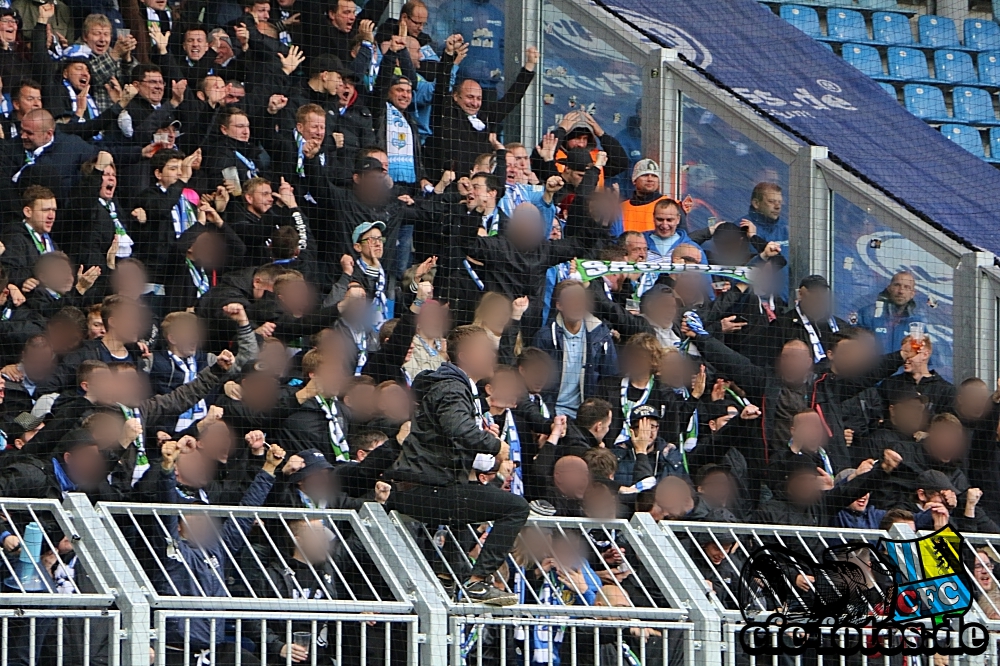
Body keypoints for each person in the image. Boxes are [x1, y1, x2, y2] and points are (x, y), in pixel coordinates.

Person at [386, 325, 529, 605]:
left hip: (430, 485)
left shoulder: (457, 386)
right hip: (426, 490)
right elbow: (458, 428)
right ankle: (477, 583)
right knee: (516, 508)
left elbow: (449, 439)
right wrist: (496, 446)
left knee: (469, 501)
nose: (492, 354)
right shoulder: (452, 386)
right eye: (485, 349)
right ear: (465, 355)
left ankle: (446, 576)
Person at [620, 159, 669, 233]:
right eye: (645, 175)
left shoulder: (671, 206)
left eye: (654, 176)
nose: (650, 179)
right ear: (634, 180)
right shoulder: (621, 208)